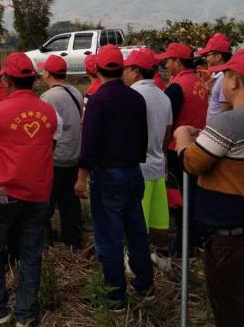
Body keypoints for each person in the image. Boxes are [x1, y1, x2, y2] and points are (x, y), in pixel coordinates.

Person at [174, 49, 244, 327]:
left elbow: (191, 163)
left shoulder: (229, 122)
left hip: (233, 241)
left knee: (233, 312)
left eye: (224, 76)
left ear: (234, 81)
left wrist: (182, 136)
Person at [0, 52, 61, 327]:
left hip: (2, 194)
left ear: (7, 80)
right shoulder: (51, 112)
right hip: (39, 194)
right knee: (31, 254)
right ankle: (26, 314)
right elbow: (52, 145)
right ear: (33, 80)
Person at [75, 45, 154, 309]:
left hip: (108, 175)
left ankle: (115, 297)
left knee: (109, 238)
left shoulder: (98, 100)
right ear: (121, 68)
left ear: (97, 69)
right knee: (136, 232)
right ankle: (145, 285)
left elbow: (89, 142)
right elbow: (143, 136)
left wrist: (82, 176)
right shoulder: (136, 98)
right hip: (133, 172)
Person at [122, 48, 173, 271]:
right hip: (157, 165)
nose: (123, 73)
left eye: (126, 69)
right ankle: (163, 258)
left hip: (137, 168)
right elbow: (168, 134)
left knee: (135, 220)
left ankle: (135, 264)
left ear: (136, 70)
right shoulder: (164, 97)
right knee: (159, 219)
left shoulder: (131, 96)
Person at [157, 42, 208, 255]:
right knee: (194, 195)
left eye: (168, 61)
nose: (166, 65)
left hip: (177, 148)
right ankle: (196, 238)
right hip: (200, 146)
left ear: (178, 62)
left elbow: (168, 121)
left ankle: (184, 243)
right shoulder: (199, 82)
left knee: (179, 198)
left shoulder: (177, 87)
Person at [38, 55, 84, 249]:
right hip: (74, 155)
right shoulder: (75, 92)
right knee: (70, 201)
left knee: (47, 201)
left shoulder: (48, 97)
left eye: (44, 70)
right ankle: (73, 239)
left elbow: (43, 128)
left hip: (56, 157)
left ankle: (44, 239)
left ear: (48, 73)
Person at [196, 33, 232, 124]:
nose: (206, 59)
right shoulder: (217, 76)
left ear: (218, 57)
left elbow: (225, 112)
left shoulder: (225, 77)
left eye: (207, 55)